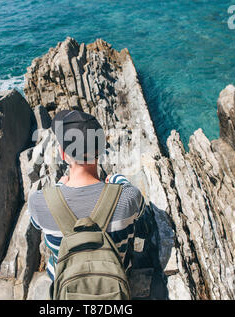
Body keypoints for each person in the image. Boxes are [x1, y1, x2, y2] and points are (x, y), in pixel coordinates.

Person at [28, 110, 147, 283]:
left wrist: (59, 186)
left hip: (66, 284)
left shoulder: (39, 202)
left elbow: (36, 223)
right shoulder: (127, 197)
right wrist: (115, 179)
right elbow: (141, 210)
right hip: (114, 283)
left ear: (63, 154)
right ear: (100, 149)